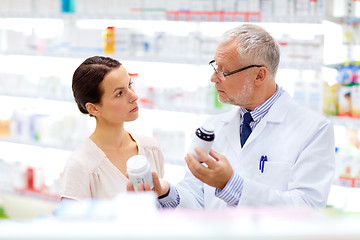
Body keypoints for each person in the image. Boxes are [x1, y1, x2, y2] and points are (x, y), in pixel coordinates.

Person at [131, 24, 335, 209]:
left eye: (223, 71)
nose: (213, 78)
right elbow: (196, 198)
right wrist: (165, 192)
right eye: (214, 66)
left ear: (259, 75)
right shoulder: (214, 127)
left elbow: (308, 208)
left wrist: (231, 185)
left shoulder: (314, 129)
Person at [60, 56, 164, 201]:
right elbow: (71, 223)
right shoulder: (81, 165)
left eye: (130, 85)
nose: (134, 96)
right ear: (93, 108)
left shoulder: (151, 149)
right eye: (119, 93)